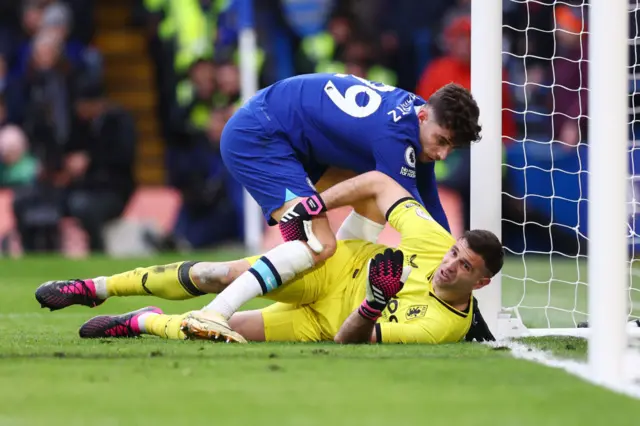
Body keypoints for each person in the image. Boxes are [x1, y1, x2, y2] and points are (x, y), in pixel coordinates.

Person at [35, 172, 502, 344]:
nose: (449, 264)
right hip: (330, 268)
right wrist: (319, 205)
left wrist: (375, 301)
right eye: (455, 253)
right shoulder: (432, 240)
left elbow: (348, 341)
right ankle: (97, 288)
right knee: (215, 275)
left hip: (327, 325)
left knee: (217, 334)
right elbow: (380, 182)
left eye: (464, 266)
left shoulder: (443, 328)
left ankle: (140, 321)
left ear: (479, 284)